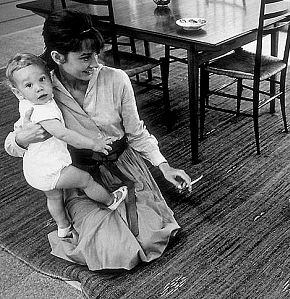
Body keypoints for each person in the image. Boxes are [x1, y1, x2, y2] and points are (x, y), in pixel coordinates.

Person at [4, 10, 192, 271]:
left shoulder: (117, 80)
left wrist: (164, 166)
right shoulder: (40, 89)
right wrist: (22, 139)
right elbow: (13, 147)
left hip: (123, 167)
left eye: (96, 54)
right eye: (84, 57)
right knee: (113, 250)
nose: (95, 62)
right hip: (81, 175)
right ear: (58, 57)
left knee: (149, 237)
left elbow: (136, 133)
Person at [5, 53, 128, 238]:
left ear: (49, 78)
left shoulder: (26, 102)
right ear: (17, 92)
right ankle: (111, 200)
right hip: (51, 169)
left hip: (35, 169)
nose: (39, 88)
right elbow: (64, 134)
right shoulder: (43, 111)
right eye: (29, 85)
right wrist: (94, 144)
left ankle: (63, 227)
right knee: (85, 180)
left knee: (54, 196)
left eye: (42, 79)